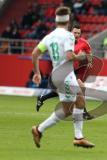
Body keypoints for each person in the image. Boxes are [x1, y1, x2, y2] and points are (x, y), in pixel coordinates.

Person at [31, 6, 94, 148]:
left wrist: (37, 73)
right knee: (68, 109)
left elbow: (35, 53)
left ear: (56, 19)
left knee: (78, 101)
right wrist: (81, 56)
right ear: (68, 20)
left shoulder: (49, 36)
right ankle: (40, 129)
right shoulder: (68, 36)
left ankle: (78, 137)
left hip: (57, 74)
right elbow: (70, 56)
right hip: (65, 74)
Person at [35, 23, 94, 120]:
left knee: (76, 89)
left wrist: (90, 62)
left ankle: (42, 98)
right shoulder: (64, 42)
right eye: (75, 32)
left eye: (78, 33)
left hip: (71, 71)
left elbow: (89, 53)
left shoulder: (84, 43)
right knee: (72, 90)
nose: (76, 35)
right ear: (71, 32)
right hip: (61, 71)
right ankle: (83, 112)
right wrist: (78, 57)